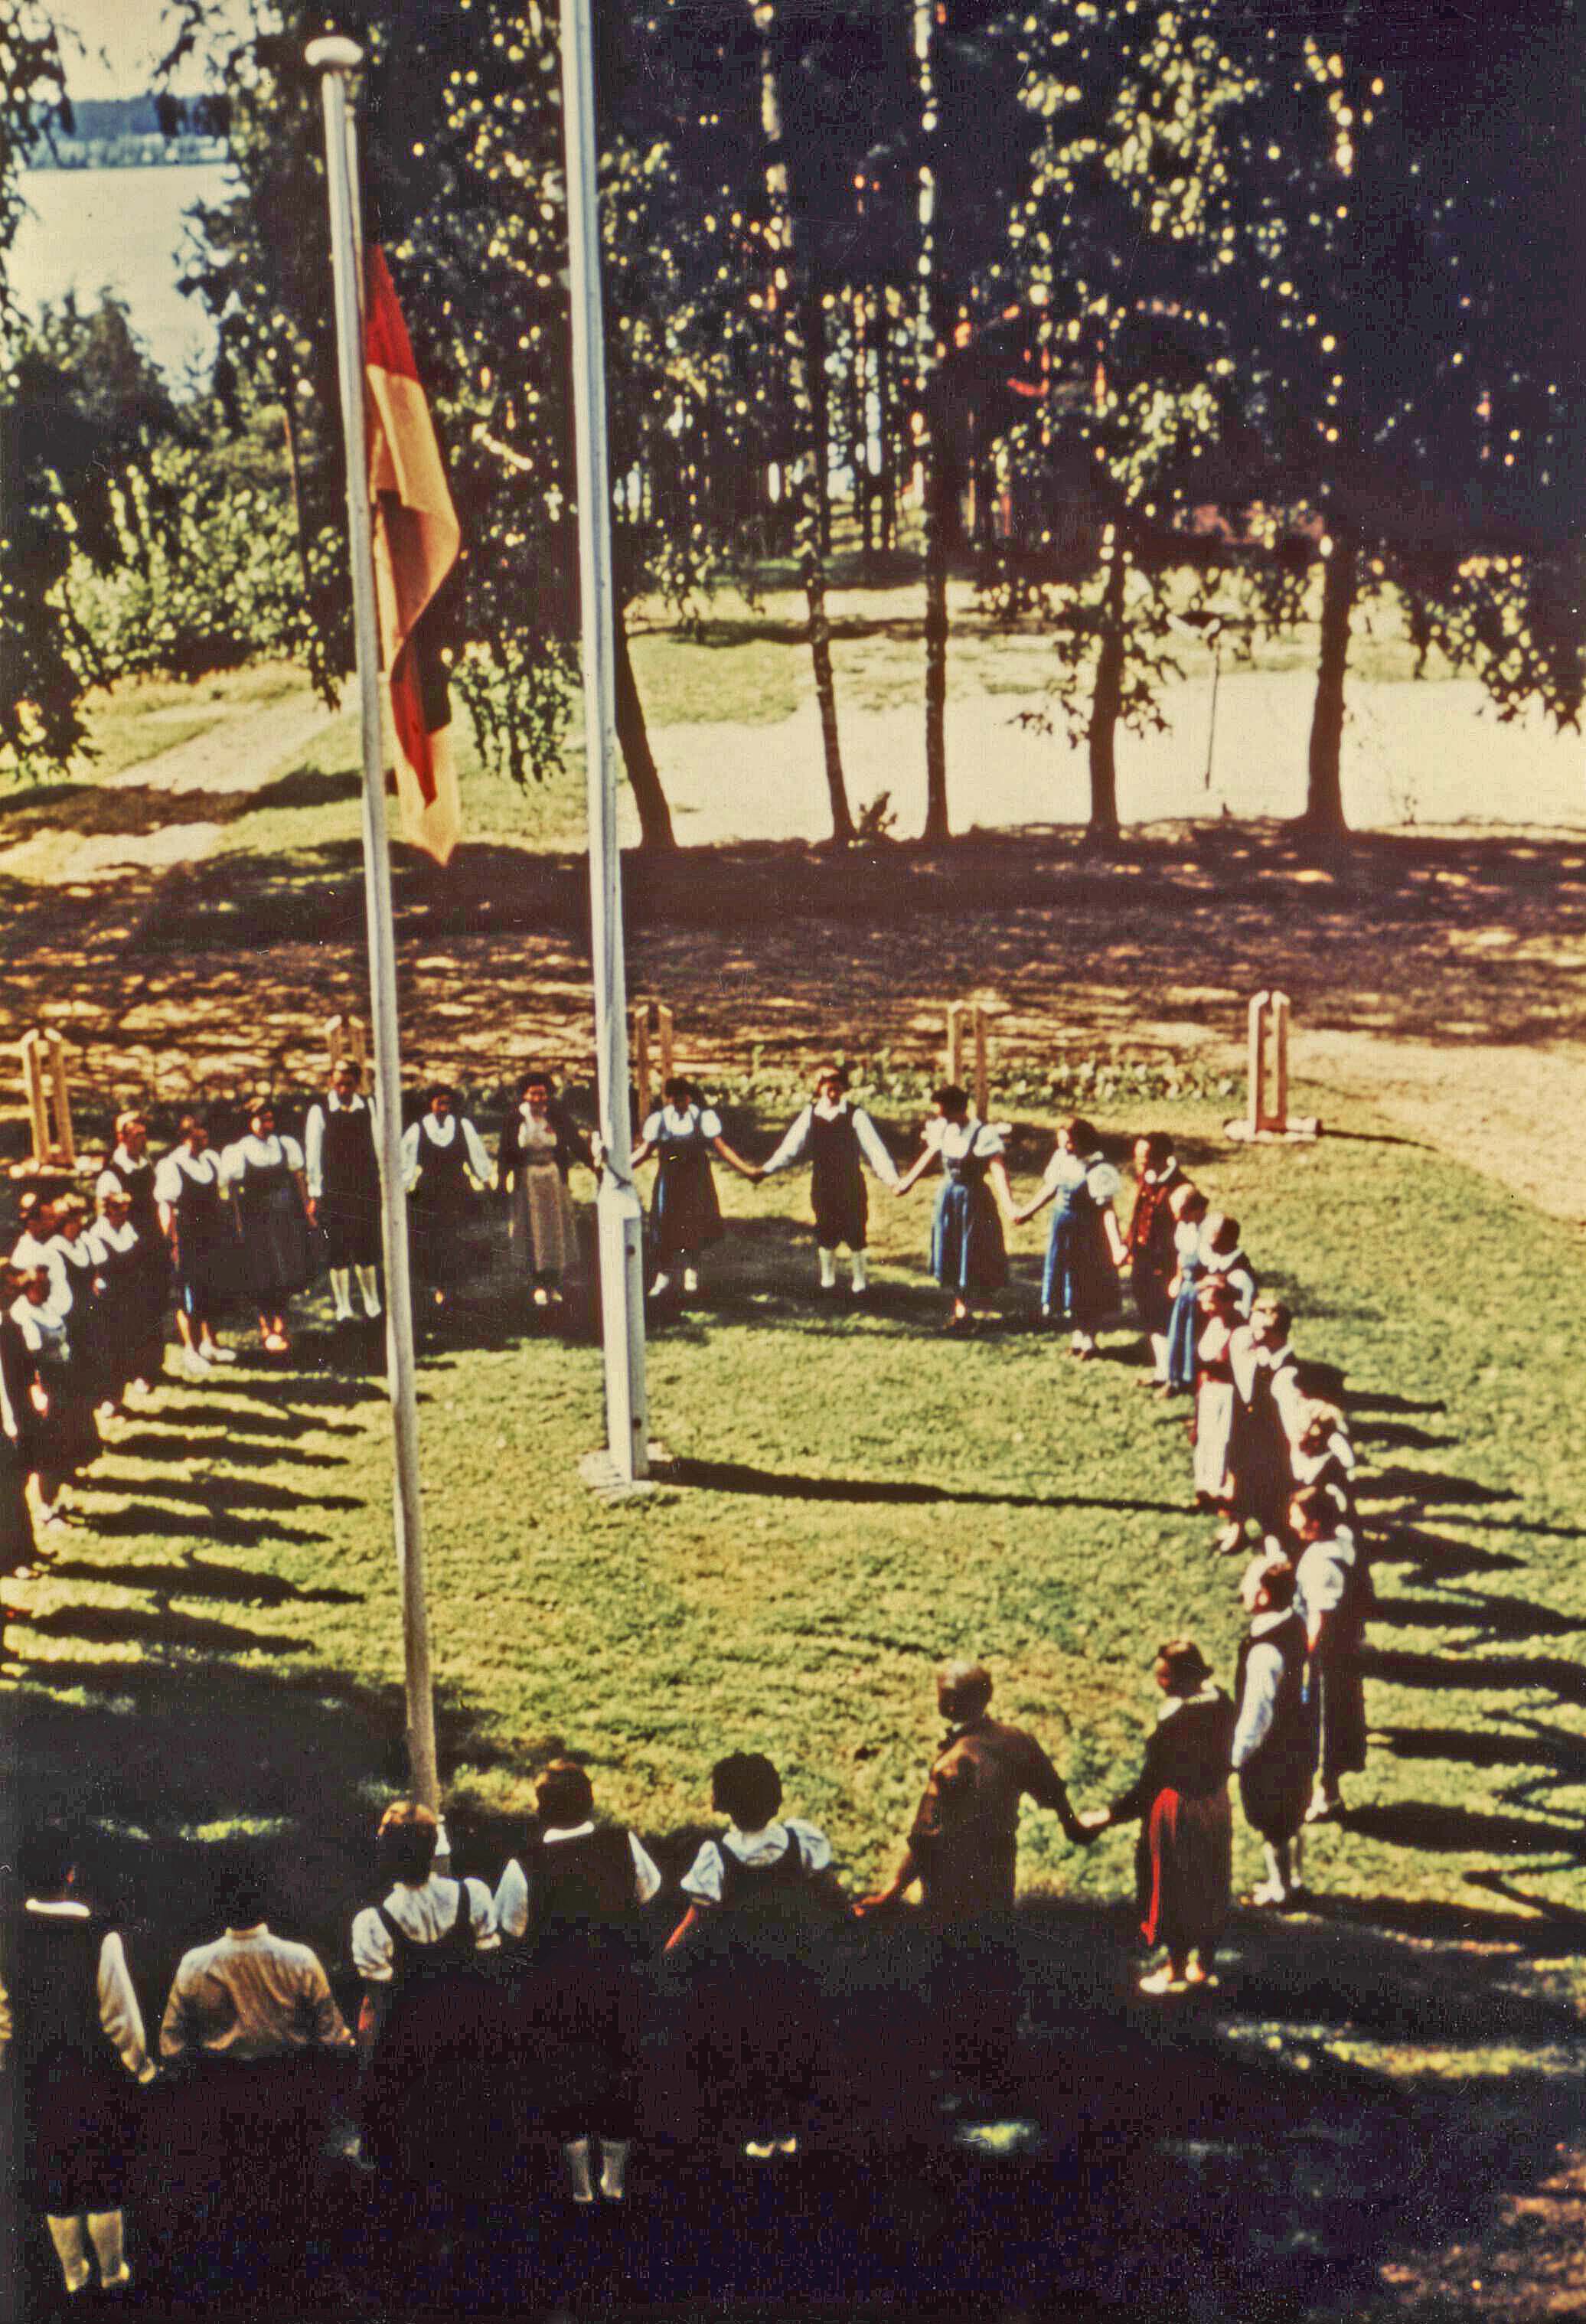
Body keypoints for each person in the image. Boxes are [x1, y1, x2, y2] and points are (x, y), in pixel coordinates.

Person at [1, 1823, 156, 2302]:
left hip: (35, 2075)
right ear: (72, 1875)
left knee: (53, 2175)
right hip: (94, 2075)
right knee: (103, 2171)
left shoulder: (6, 1936)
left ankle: (73, 2275)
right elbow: (120, 2016)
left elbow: (2, 2014)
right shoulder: (99, 1937)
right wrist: (140, 2067)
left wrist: (6, 2063)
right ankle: (113, 2273)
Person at [495, 1760, 661, 2203]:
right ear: (591, 1802)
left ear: (539, 1810)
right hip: (619, 1983)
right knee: (619, 2072)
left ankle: (581, 2186)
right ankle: (616, 2179)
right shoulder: (622, 1844)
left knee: (564, 2079)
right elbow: (649, 1890)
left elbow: (510, 1927)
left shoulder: (524, 1865)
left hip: (556, 1995)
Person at [667, 1751, 847, 2159]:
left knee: (750, 2043)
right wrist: (848, 1915)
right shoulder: (800, 1840)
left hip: (741, 1969)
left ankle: (762, 2133)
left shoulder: (718, 1855)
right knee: (794, 2037)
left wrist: (668, 1954)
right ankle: (791, 2126)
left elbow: (698, 1917)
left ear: (722, 1801)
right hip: (795, 1960)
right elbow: (828, 1888)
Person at [860, 1661, 1089, 1921]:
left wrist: (891, 1893)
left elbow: (927, 1837)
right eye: (946, 1695)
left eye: (953, 1697)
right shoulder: (1017, 1739)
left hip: (952, 1875)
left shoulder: (953, 1763)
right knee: (993, 1933)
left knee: (950, 1941)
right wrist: (1072, 1826)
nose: (950, 1704)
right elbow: (1052, 1790)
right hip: (1000, 1864)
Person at [1079, 1640, 1234, 1994]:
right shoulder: (1222, 1702)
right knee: (1210, 1881)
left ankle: (1175, 1969)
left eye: (1164, 1676)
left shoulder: (1176, 1720)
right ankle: (1203, 1965)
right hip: (1216, 1803)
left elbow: (1152, 1782)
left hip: (1178, 1809)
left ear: (1178, 1678)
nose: (1159, 1682)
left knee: (1173, 1887)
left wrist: (1109, 1815)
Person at [351, 1800, 498, 2058]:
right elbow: (491, 1967)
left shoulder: (375, 1922)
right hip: (472, 2031)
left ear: (387, 1853)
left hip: (412, 2045)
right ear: (433, 1848)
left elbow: (377, 2002)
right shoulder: (472, 1895)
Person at [759, 1065, 899, 1297]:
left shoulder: (856, 1114)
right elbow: (790, 1147)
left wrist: (892, 1180)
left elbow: (875, 1151)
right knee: (825, 1228)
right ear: (820, 1089)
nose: (832, 1094)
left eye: (837, 1089)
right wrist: (766, 1169)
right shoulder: (811, 1114)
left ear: (844, 1089)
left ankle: (861, 1284)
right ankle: (827, 1281)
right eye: (827, 1089)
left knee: (856, 1229)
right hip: (823, 1183)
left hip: (851, 1183)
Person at [1231, 1555, 1317, 1907]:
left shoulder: (1264, 1651)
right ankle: (1295, 1880)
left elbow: (1257, 1711)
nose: (1242, 1591)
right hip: (1298, 1741)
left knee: (1273, 1825)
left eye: (1248, 1586)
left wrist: (1238, 1754)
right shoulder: (1295, 1624)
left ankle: (1280, 1889)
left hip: (1271, 1752)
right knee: (1292, 1818)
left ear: (1264, 1596)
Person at [893, 1085, 1013, 1330]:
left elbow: (998, 1169)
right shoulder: (944, 1129)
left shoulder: (983, 1134)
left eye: (946, 1114)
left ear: (961, 1110)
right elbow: (930, 1154)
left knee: (974, 1251)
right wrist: (907, 1182)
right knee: (952, 1249)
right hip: (948, 1197)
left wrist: (1009, 1204)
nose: (942, 1119)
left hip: (974, 1200)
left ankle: (973, 1309)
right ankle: (962, 1311)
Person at [630, 1076, 761, 1301]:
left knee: (694, 1224)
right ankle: (664, 1276)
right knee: (665, 1225)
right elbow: (644, 1152)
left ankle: (692, 1274)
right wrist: (618, 1171)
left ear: (690, 1097)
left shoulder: (702, 1119)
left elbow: (722, 1149)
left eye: (685, 1098)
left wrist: (747, 1171)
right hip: (669, 1181)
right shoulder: (660, 1121)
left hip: (695, 1181)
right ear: (670, 1099)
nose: (681, 1102)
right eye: (676, 1099)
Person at [1009, 1115, 1127, 1356]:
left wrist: (1116, 1245)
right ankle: (1078, 1335)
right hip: (1063, 1230)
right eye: (1062, 1143)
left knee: (1088, 1284)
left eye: (1070, 1143)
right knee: (1069, 1282)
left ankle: (1090, 1339)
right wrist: (1027, 1211)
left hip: (1088, 1235)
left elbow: (1107, 1211)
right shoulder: (1062, 1159)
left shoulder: (1099, 1169)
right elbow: (1051, 1188)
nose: (1065, 1148)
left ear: (1084, 1141)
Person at [1291, 1484, 1372, 1824]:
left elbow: (1318, 1621)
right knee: (1340, 1715)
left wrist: (1303, 1656)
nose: (1290, 1521)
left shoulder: (1320, 1564)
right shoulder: (1343, 1539)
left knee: (1325, 1722)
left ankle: (1326, 1794)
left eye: (1296, 1516)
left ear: (1314, 1522)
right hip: (1347, 1649)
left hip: (1327, 1658)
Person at [220, 1101, 314, 1352]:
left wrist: (307, 1210)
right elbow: (231, 1192)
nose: (267, 1125)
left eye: (270, 1119)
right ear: (250, 1121)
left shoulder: (284, 1145)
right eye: (262, 1119)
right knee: (261, 1274)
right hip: (256, 1221)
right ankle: (266, 1326)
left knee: (285, 1273)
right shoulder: (239, 1151)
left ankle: (281, 1325)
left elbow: (298, 1179)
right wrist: (237, 1222)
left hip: (284, 1218)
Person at [10, 1263, 97, 1528]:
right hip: (45, 1387)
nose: (49, 1289)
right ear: (29, 1287)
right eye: (43, 1285)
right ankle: (45, 1510)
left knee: (63, 1444)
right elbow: (30, 1359)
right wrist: (39, 1393)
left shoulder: (45, 1307)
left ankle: (54, 1500)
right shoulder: (22, 1315)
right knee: (47, 1451)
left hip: (63, 1382)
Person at [497, 1071, 587, 1312]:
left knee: (554, 1230)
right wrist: (501, 1182)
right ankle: (537, 1284)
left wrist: (595, 1166)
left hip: (552, 1178)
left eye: (542, 1094)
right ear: (525, 1095)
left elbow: (574, 1141)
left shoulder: (556, 1115)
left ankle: (554, 1283)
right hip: (528, 1180)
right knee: (532, 1231)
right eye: (533, 1094)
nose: (538, 1098)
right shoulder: (515, 1118)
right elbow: (505, 1152)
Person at [155, 1118, 237, 1376]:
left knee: (212, 1289)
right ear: (185, 1137)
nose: (204, 1142)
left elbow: (223, 1194)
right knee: (188, 1295)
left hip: (211, 1234)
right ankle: (191, 1349)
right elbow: (166, 1205)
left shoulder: (211, 1159)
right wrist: (171, 1241)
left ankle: (211, 1344)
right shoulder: (172, 1165)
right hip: (188, 1237)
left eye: (205, 1137)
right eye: (198, 1138)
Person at [304, 1057, 383, 1323]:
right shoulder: (320, 1111)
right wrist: (315, 1191)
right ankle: (344, 1305)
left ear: (357, 1083)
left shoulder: (367, 1107)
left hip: (364, 1186)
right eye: (338, 1085)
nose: (343, 1090)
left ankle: (372, 1301)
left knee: (366, 1244)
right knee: (337, 1246)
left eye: (349, 1084)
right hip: (335, 1189)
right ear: (331, 1083)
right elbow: (313, 1154)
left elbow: (378, 1145)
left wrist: (381, 1180)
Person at [1228, 1297, 1308, 1553]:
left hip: (1274, 1454)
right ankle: (1241, 1530)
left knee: (1274, 1506)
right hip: (1250, 1443)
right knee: (1244, 1486)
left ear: (1275, 1332)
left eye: (1259, 1330)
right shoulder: (1261, 1356)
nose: (1252, 1335)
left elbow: (1292, 1426)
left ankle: (1279, 1554)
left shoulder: (1287, 1375)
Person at [400, 1085, 492, 1308]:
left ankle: (454, 1286)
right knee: (434, 1239)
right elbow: (406, 1161)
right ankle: (439, 1286)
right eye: (439, 1102)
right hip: (430, 1192)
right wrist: (403, 1187)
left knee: (456, 1237)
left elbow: (477, 1156)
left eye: (447, 1103)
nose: (444, 1108)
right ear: (430, 1104)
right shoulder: (418, 1129)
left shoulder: (462, 1126)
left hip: (457, 1189)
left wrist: (487, 1181)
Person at [83, 1185, 165, 1412]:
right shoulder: (96, 1236)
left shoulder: (127, 1227)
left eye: (126, 1210)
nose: (125, 1215)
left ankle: (140, 1376)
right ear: (108, 1211)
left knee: (138, 1339)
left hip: (133, 1295)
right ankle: (111, 1397)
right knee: (113, 1349)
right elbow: (96, 1273)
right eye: (120, 1210)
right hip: (110, 1302)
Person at [98, 1110, 171, 1331]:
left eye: (144, 1134)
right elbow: (106, 1218)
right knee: (136, 1306)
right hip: (129, 1248)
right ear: (122, 1137)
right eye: (137, 1134)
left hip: (153, 1242)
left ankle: (155, 1360)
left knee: (157, 1302)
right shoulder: (112, 1173)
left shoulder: (146, 1166)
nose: (143, 1140)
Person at [1123, 1134, 1188, 1385]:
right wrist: (1129, 1246)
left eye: (1145, 1159)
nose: (1139, 1163)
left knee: (1165, 1317)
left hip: (1165, 1266)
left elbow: (1186, 1235)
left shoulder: (1179, 1188)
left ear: (1162, 1158)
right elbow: (1137, 1215)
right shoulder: (1147, 1179)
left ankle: (1175, 1374)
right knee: (1150, 1316)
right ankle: (1163, 1370)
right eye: (1138, 1158)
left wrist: (1178, 1273)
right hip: (1143, 1261)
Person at [1193, 1275, 1242, 1547]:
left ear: (1226, 1301)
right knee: (1207, 1445)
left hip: (1229, 1395)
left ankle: (1233, 1517)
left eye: (1210, 1302)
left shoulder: (1239, 1330)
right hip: (1210, 1393)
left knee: (1226, 1450)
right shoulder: (1213, 1324)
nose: (1205, 1308)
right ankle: (1209, 1496)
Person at [1163, 1183, 1211, 1397]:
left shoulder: (1210, 1230)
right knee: (1178, 1332)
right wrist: (1178, 1277)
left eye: (1183, 1214)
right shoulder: (1184, 1228)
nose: (1178, 1220)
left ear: (1196, 1209)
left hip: (1203, 1288)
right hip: (1187, 1286)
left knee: (1196, 1333)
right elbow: (1182, 1256)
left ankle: (1194, 1380)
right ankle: (1174, 1379)